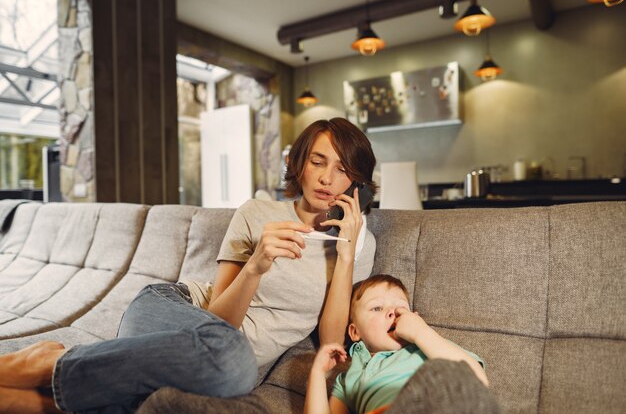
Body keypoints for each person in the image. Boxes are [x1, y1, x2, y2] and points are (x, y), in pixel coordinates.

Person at [0, 117, 378, 414]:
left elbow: (331, 342)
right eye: (318, 161)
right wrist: (256, 265)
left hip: (215, 364)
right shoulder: (257, 213)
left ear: (356, 182)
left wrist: (346, 254)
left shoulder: (359, 242)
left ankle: (36, 384)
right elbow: (219, 321)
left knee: (167, 394)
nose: (329, 178)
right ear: (300, 165)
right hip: (175, 309)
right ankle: (46, 366)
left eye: (343, 170)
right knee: (233, 360)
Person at [304, 274, 489, 414]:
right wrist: (318, 374)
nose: (393, 313)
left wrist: (420, 333)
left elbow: (477, 381)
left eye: (400, 307)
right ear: (355, 332)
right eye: (377, 308)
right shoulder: (348, 380)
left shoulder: (428, 347)